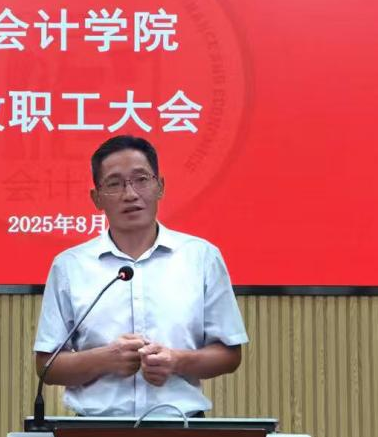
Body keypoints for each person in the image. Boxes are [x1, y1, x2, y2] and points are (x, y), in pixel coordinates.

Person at [33, 135, 247, 418]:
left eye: (141, 179)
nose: (130, 194)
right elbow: (47, 366)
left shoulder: (201, 257)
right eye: (114, 184)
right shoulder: (70, 266)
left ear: (160, 187)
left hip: (181, 427)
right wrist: (105, 359)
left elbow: (229, 355)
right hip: (95, 430)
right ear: (96, 198)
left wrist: (177, 361)